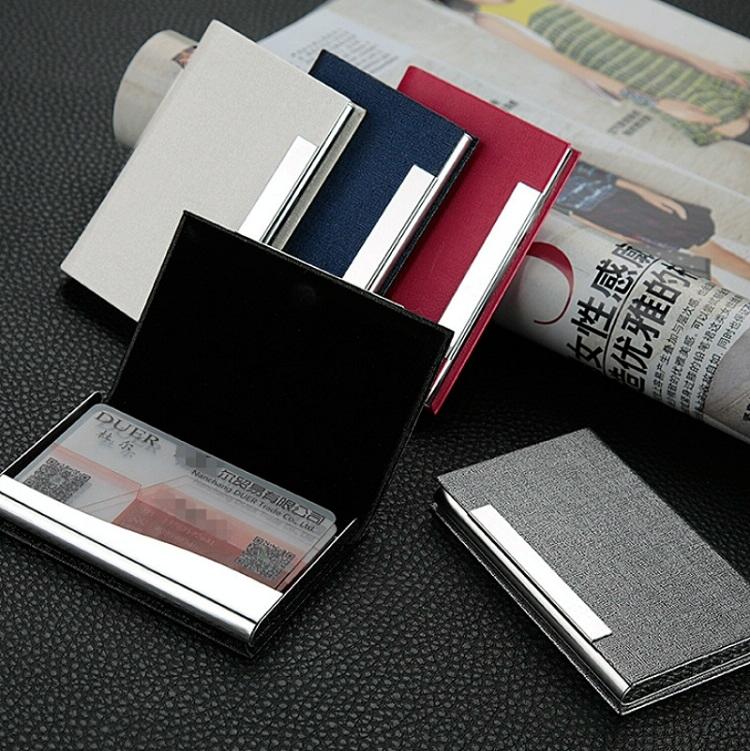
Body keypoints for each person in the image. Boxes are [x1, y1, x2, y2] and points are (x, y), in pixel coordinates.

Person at [438, 0, 750, 147]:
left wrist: (700, 61)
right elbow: (571, 66)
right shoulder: (488, 19)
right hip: (641, 84)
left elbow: (625, 32)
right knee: (729, 124)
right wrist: (655, 102)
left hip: (669, 66)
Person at [555, 161, 750, 280]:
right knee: (685, 270)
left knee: (700, 245)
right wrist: (605, 233)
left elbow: (593, 172)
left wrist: (645, 192)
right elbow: (564, 211)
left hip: (623, 200)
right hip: (603, 218)